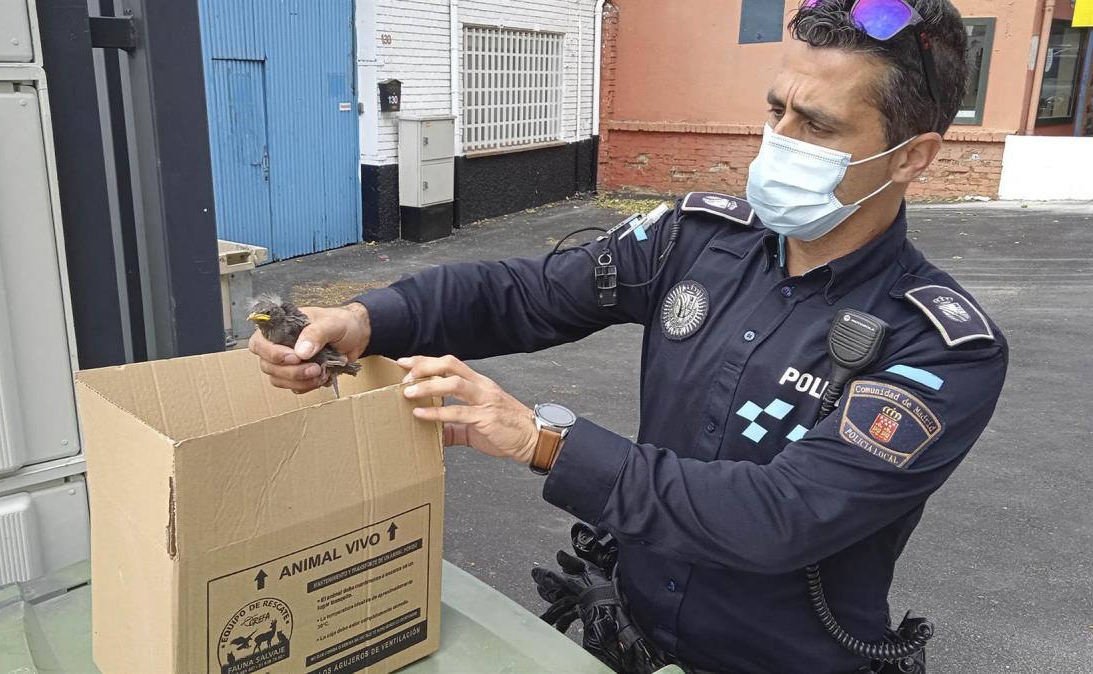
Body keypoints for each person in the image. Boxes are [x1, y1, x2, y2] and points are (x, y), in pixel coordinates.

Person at [249, 1, 1008, 671]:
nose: (777, 139)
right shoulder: (696, 240)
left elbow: (781, 515)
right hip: (633, 638)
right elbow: (531, 294)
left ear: (912, 157)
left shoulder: (939, 345)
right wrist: (364, 319)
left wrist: (543, 440)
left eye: (818, 125)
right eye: (776, 108)